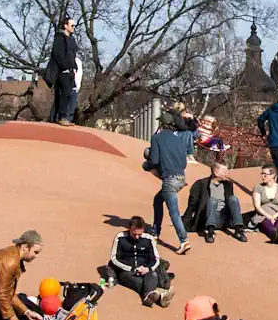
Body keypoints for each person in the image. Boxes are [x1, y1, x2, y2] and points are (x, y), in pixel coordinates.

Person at [143, 117, 193, 254]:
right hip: (181, 177)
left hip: (170, 180)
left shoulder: (156, 138)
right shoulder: (179, 140)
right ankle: (155, 231)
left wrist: (146, 164)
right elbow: (183, 163)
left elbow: (154, 159)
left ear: (161, 124)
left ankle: (184, 241)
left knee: (174, 213)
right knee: (158, 200)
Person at [105, 217, 177, 307]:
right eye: (134, 234)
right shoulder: (120, 238)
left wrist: (148, 268)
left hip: (146, 270)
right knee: (138, 281)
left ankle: (150, 298)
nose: (137, 237)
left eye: (140, 234)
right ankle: (158, 298)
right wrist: (132, 268)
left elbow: (155, 259)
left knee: (153, 275)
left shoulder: (149, 239)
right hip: (127, 271)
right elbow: (114, 259)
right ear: (129, 229)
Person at [184, 162, 250, 244]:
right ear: (216, 173)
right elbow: (192, 204)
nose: (227, 174)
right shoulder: (201, 184)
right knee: (212, 200)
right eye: (224, 172)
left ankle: (238, 230)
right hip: (208, 218)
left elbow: (231, 205)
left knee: (233, 199)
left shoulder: (228, 184)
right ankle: (210, 232)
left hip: (224, 218)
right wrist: (186, 221)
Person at [47, 17, 83, 125]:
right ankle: (61, 117)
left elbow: (73, 55)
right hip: (63, 72)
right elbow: (57, 55)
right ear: (65, 26)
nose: (74, 28)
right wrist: (64, 67)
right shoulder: (59, 38)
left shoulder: (71, 40)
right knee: (64, 93)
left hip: (71, 72)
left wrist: (75, 67)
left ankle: (65, 117)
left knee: (68, 94)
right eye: (72, 25)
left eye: (74, 26)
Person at [248, 166, 278, 245]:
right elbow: (257, 206)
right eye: (262, 173)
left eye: (265, 174)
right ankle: (273, 235)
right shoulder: (258, 187)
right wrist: (268, 216)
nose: (262, 176)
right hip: (262, 213)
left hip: (276, 213)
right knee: (265, 222)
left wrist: (274, 216)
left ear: (272, 175)